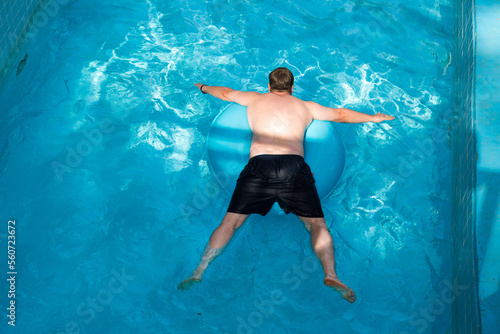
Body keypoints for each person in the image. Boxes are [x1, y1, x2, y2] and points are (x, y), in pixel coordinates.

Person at [178, 67, 395, 303]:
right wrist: (374, 118)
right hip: (294, 167)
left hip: (259, 165)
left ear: (269, 86)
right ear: (292, 88)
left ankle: (200, 270)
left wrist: (203, 87)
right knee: (316, 225)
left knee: (230, 222)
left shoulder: (255, 99)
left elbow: (227, 93)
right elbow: (340, 114)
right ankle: (331, 274)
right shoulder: (305, 106)